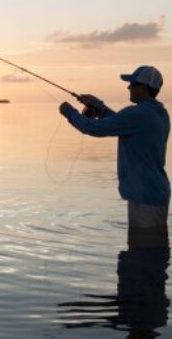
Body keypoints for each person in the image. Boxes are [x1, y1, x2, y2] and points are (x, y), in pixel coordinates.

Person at [59, 66, 170, 247]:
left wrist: (70, 113)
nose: (128, 87)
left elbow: (94, 128)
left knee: (142, 260)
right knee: (150, 253)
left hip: (145, 197)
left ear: (143, 87)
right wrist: (100, 108)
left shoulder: (138, 113)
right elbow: (121, 123)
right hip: (155, 192)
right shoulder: (159, 113)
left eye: (132, 84)